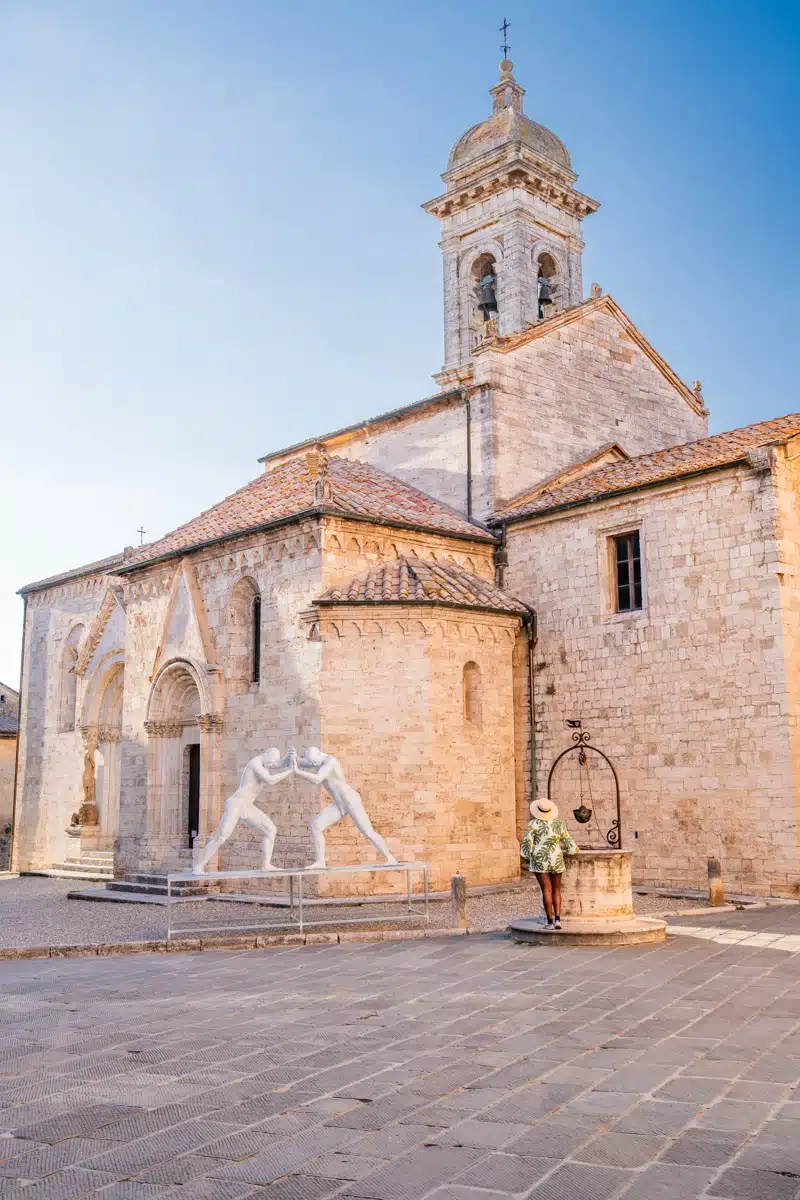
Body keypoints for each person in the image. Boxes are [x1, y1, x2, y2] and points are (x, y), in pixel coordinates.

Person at [292, 747, 398, 869]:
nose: (314, 765)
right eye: (312, 763)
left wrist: (298, 772)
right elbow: (300, 762)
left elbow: (317, 779)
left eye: (315, 762)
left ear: (320, 754)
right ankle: (320, 862)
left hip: (350, 800)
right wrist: (294, 756)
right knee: (316, 826)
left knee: (367, 831)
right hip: (338, 803)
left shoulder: (330, 761)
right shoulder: (316, 760)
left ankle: (390, 858)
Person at [192, 748, 293, 874]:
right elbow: (270, 780)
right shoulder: (255, 763)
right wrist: (289, 771)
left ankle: (266, 865)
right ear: (265, 754)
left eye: (273, 763)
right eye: (271, 762)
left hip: (247, 806)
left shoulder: (266, 763)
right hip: (236, 804)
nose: (272, 765)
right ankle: (199, 866)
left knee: (271, 829)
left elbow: (277, 763)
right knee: (221, 837)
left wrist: (288, 757)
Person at [520, 798, 578, 931]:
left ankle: (550, 921)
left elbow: (527, 843)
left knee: (546, 890)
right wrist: (573, 850)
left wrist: (526, 855)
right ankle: (558, 920)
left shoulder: (533, 824)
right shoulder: (559, 824)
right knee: (557, 889)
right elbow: (568, 842)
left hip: (540, 858)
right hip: (556, 857)